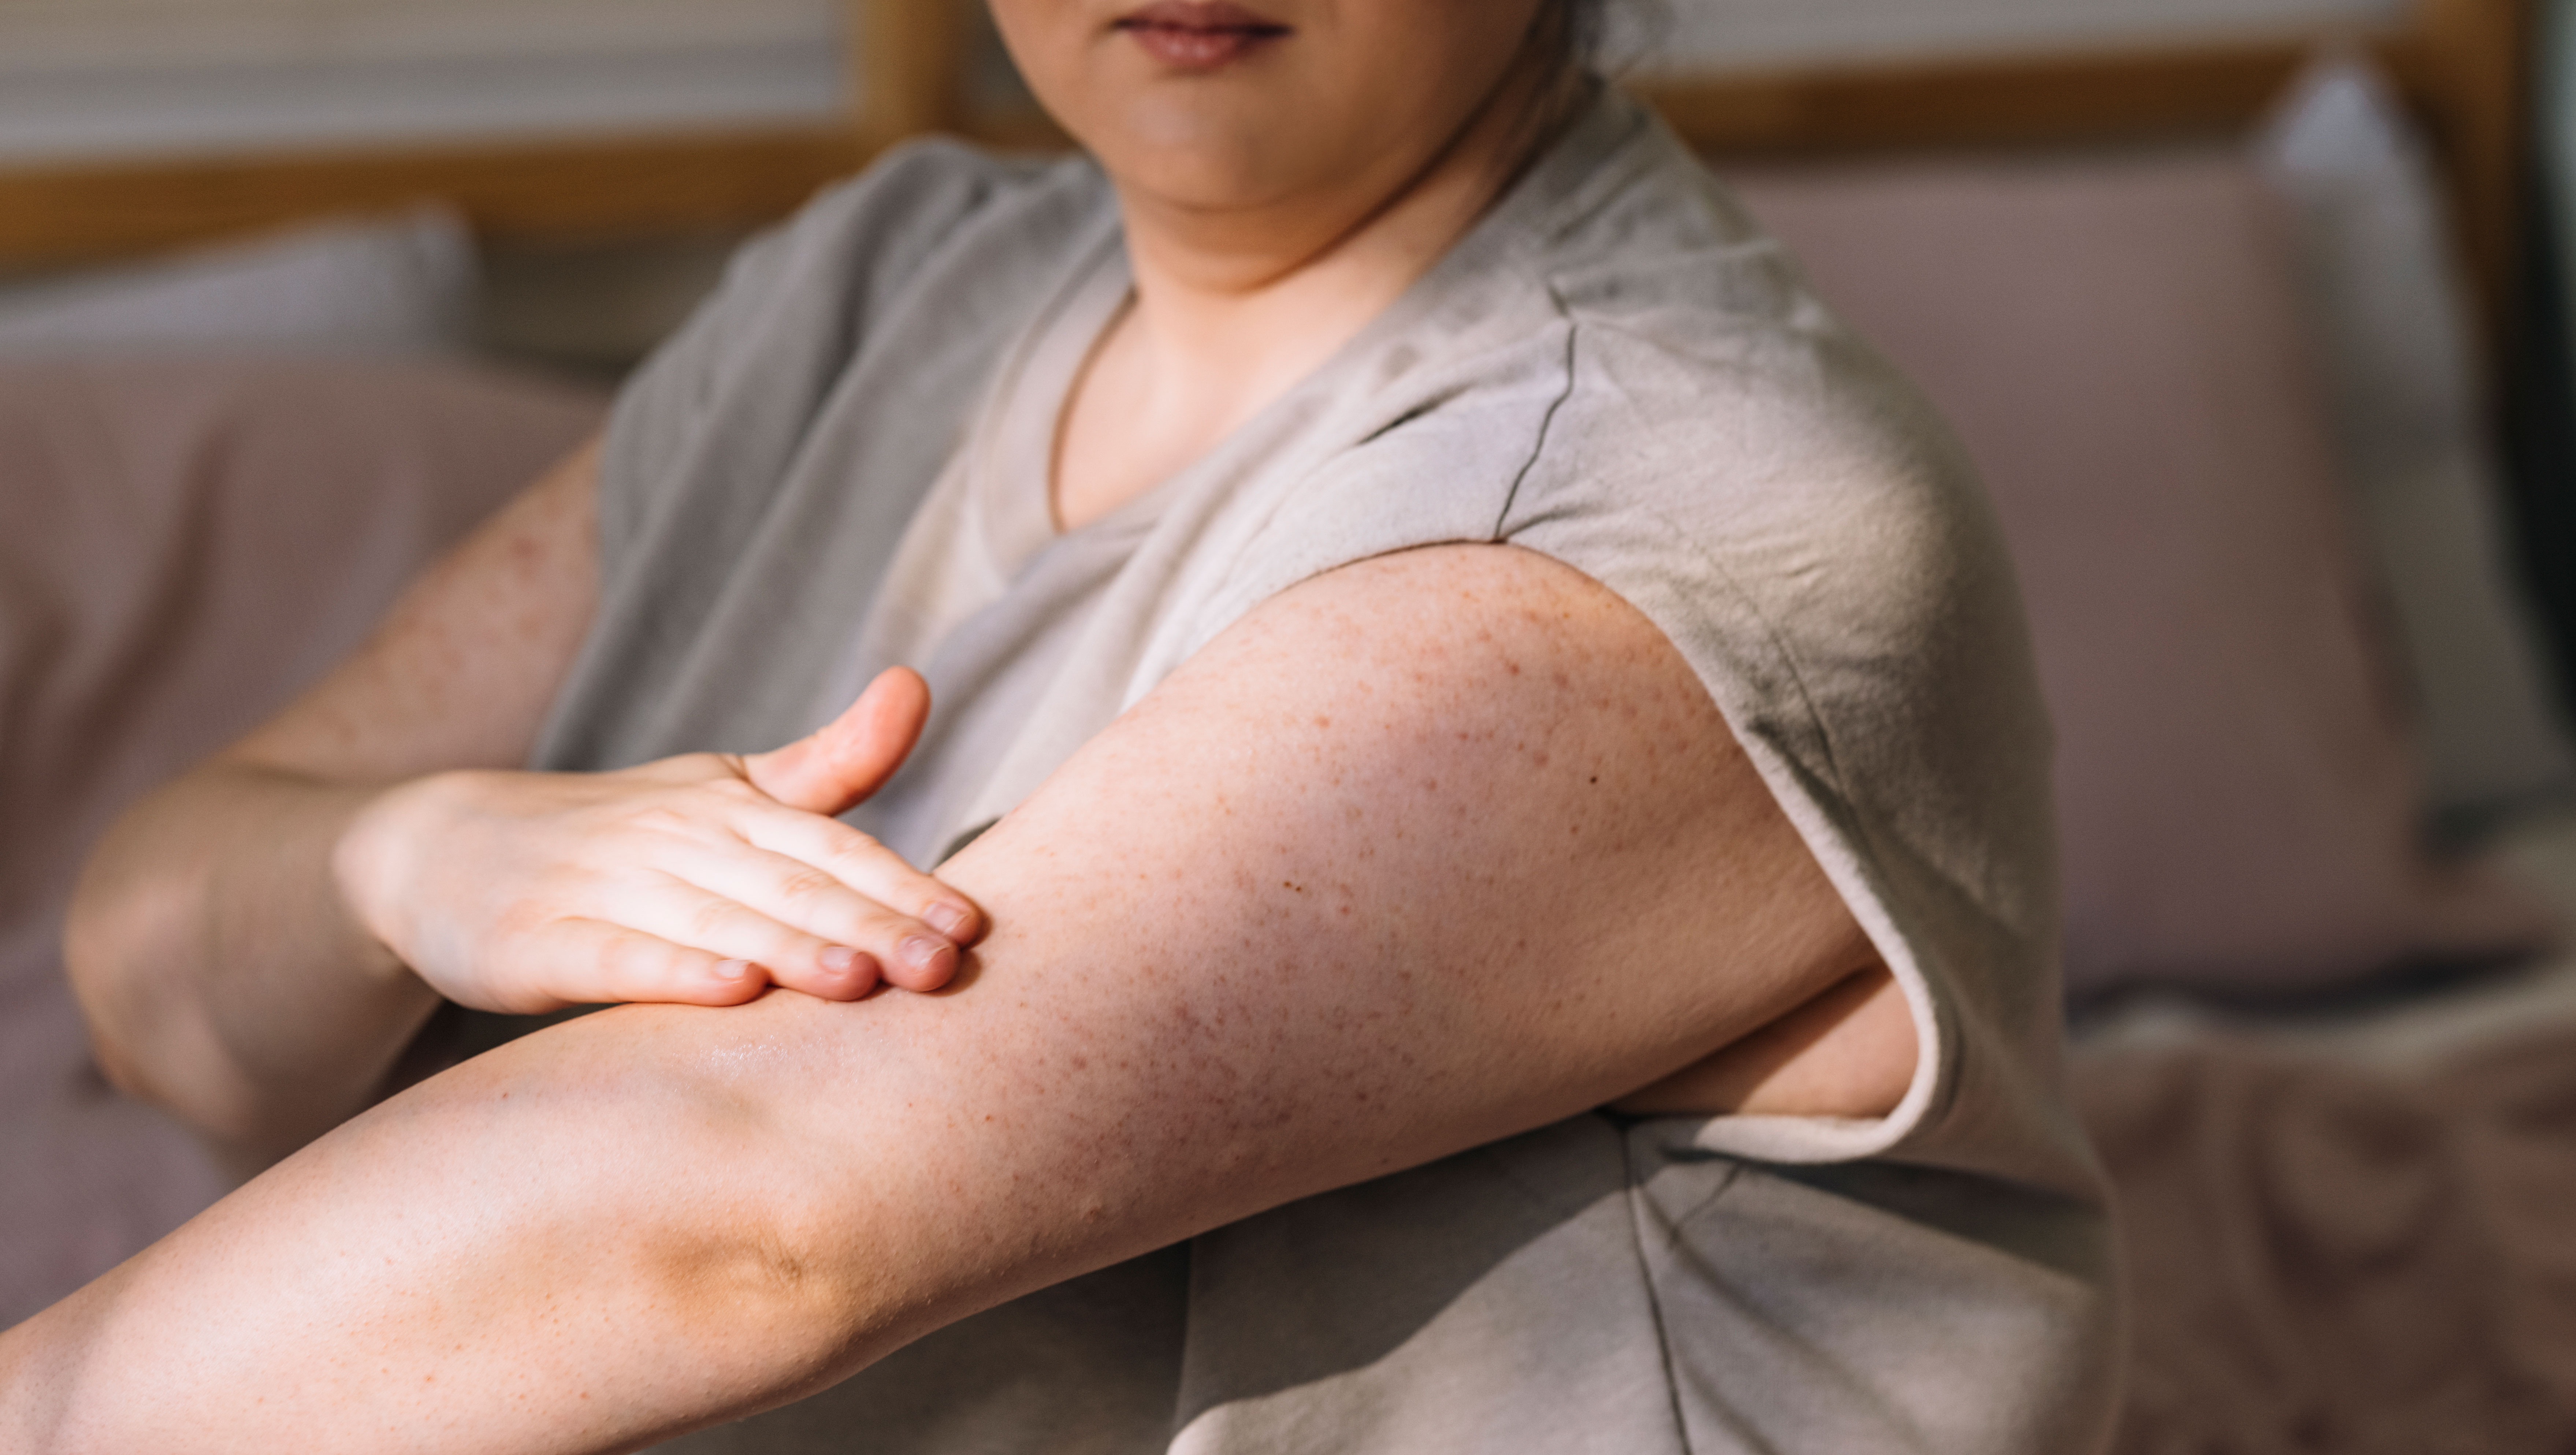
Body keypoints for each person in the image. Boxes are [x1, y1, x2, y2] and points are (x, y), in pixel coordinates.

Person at [3, 1, 2121, 1450]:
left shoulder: (1688, 498)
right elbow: (158, 981)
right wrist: (408, 858)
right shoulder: (886, 291)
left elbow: (743, 1210)